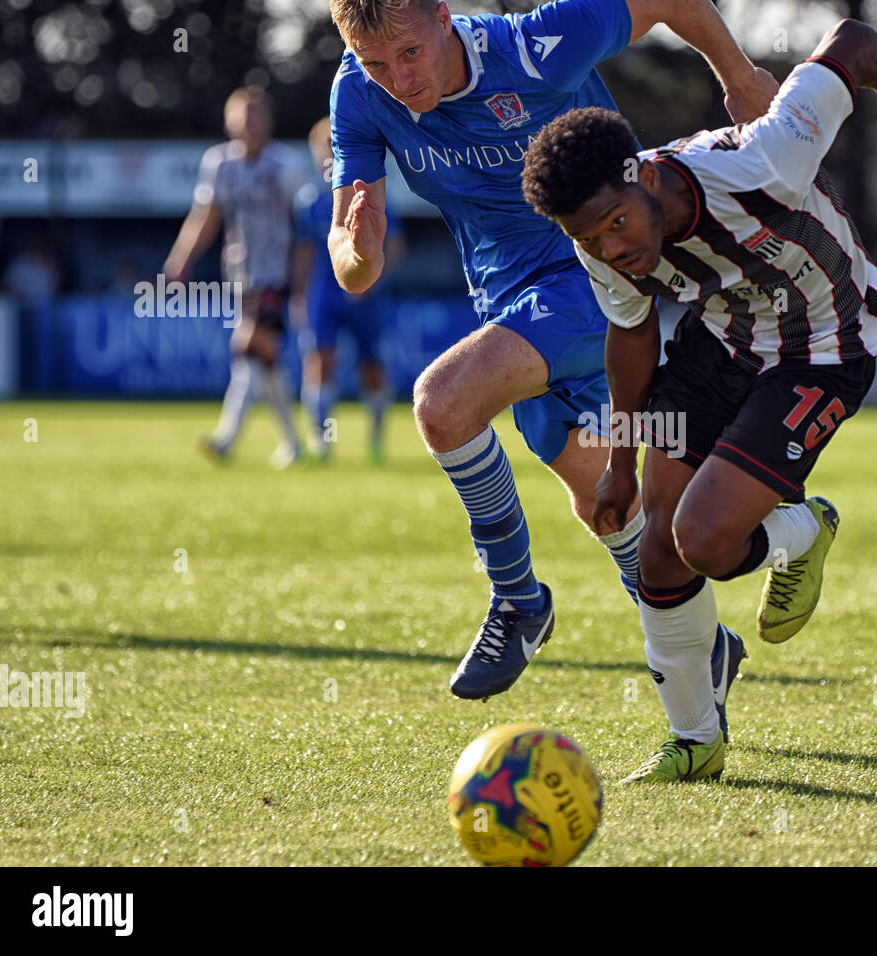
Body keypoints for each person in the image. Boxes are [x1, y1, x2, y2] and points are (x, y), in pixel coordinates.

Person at [522, 18, 877, 781]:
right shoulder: (600, 242)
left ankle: (803, 531)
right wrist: (619, 462)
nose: (613, 248)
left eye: (618, 223)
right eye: (592, 239)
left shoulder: (762, 160)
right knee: (657, 547)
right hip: (721, 346)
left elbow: (847, 44)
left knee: (707, 541)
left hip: (824, 349)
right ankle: (696, 740)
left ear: (645, 177)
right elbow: (633, 337)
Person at [327, 0, 777, 702]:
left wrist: (740, 78)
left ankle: (518, 601)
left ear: (444, 17)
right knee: (602, 499)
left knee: (442, 404)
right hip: (508, 302)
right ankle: (704, 644)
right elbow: (352, 263)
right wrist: (358, 250)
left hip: (598, 278)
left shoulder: (536, 47)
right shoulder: (356, 92)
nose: (397, 79)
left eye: (409, 54)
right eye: (375, 62)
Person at [164, 86, 307, 469]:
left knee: (247, 348)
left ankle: (227, 440)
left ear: (268, 121)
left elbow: (304, 226)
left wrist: (301, 281)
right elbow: (206, 217)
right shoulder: (219, 163)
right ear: (229, 122)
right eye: (242, 117)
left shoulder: (285, 165)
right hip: (240, 277)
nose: (250, 124)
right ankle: (294, 444)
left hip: (275, 276)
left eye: (256, 116)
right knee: (265, 360)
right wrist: (181, 260)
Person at [291, 117, 404, 464]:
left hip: (364, 296)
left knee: (370, 367)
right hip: (323, 294)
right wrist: (298, 295)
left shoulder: (367, 196)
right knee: (319, 361)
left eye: (331, 151)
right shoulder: (309, 201)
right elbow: (305, 252)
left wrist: (372, 278)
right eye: (319, 152)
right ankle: (322, 443)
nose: (325, 160)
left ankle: (375, 438)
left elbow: (395, 245)